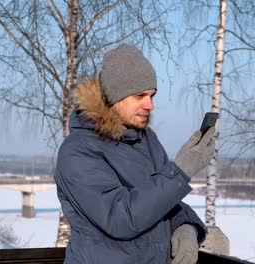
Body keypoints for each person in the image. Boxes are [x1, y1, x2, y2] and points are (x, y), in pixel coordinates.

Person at [55, 44, 215, 264]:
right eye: (140, 95)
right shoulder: (78, 151)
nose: (149, 105)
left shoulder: (147, 140)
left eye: (152, 95)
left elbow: (162, 202)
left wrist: (185, 226)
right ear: (114, 97)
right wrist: (179, 172)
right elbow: (120, 218)